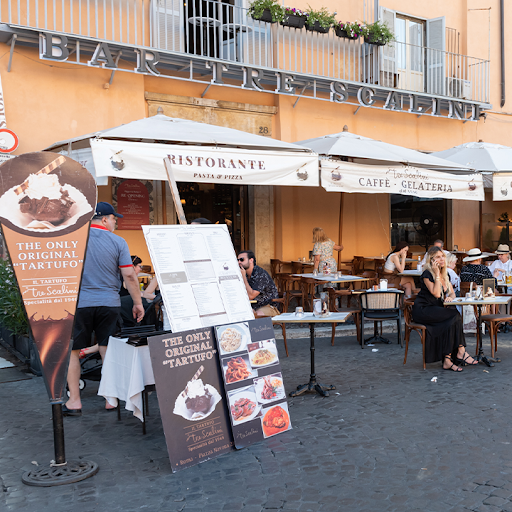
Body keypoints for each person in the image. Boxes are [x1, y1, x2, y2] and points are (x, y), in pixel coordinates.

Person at [64, 202, 144, 416]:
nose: (115, 223)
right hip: (109, 303)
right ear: (105, 219)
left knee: (73, 352)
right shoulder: (118, 241)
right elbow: (129, 275)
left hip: (80, 303)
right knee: (107, 348)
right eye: (114, 219)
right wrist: (137, 303)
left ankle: (74, 401)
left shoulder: (74, 240)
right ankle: (111, 399)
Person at [412, 246, 477, 371]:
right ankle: (461, 352)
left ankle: (448, 359)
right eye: (438, 257)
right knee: (454, 315)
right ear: (432, 260)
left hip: (436, 309)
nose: (442, 259)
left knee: (453, 316)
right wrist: (437, 274)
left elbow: (452, 293)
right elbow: (436, 294)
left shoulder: (445, 274)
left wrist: (450, 298)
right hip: (424, 310)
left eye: (443, 256)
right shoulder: (427, 274)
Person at [238, 250, 279, 317]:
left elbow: (251, 296)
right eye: (238, 260)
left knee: (255, 316)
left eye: (242, 259)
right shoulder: (244, 274)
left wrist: (243, 278)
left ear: (251, 260)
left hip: (268, 306)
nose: (239, 262)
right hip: (251, 306)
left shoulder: (260, 274)